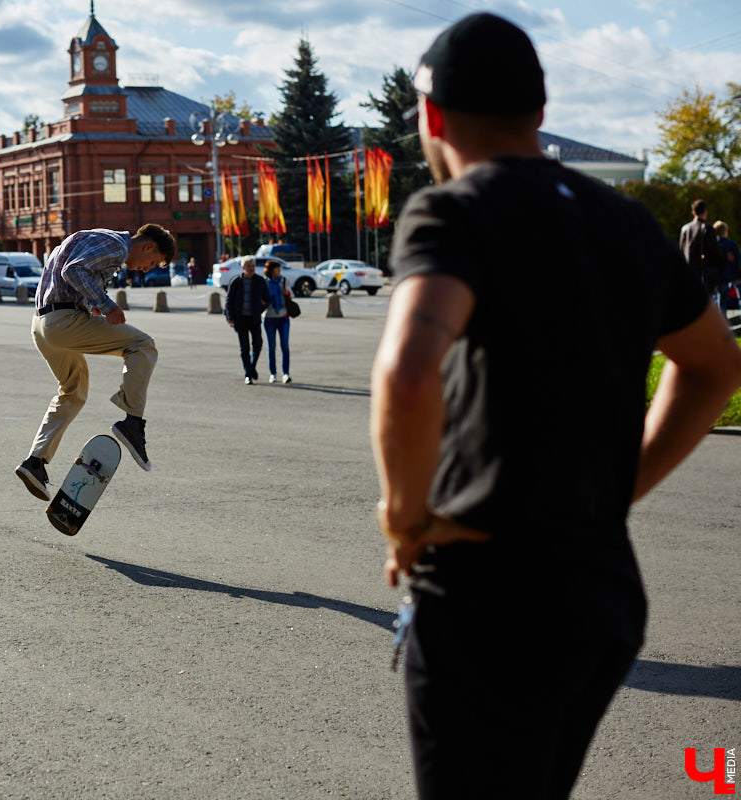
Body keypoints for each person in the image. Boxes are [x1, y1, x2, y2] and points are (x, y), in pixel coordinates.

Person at [371, 14, 741, 800]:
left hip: (488, 596)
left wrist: (405, 518)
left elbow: (407, 374)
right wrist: (617, 491)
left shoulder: (454, 210)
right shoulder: (630, 223)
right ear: (539, 113)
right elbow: (713, 368)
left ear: (432, 119)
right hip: (601, 593)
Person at [15, 223, 175, 500]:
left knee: (73, 391)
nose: (145, 269)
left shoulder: (99, 240)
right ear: (147, 246)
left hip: (42, 325)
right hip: (63, 322)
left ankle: (35, 462)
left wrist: (94, 304)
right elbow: (73, 270)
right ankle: (132, 422)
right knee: (142, 345)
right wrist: (108, 304)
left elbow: (71, 274)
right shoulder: (116, 244)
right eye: (152, 262)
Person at [224, 256, 270, 384]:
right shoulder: (236, 281)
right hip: (240, 319)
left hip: (254, 319)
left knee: (258, 345)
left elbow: (267, 299)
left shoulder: (260, 281)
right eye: (249, 267)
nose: (251, 269)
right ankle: (248, 374)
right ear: (243, 267)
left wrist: (261, 307)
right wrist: (230, 318)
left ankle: (252, 367)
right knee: (244, 349)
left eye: (253, 266)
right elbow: (229, 301)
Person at [679, 199, 725, 311]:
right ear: (705, 211)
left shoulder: (685, 228)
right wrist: (724, 258)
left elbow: (680, 249)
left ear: (693, 212)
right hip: (704, 273)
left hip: (688, 272)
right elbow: (714, 250)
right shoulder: (707, 227)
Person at [262, 261, 293, 383]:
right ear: (271, 270)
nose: (279, 271)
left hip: (283, 317)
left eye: (279, 269)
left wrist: (288, 293)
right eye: (276, 269)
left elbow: (292, 294)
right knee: (271, 347)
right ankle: (273, 373)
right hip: (269, 317)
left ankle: (286, 373)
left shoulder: (283, 280)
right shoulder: (264, 282)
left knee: (285, 346)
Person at [713, 221, 740, 313]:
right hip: (732, 275)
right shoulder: (731, 244)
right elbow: (738, 260)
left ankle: (722, 321)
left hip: (719, 277)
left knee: (721, 302)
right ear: (725, 231)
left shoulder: (711, 245)